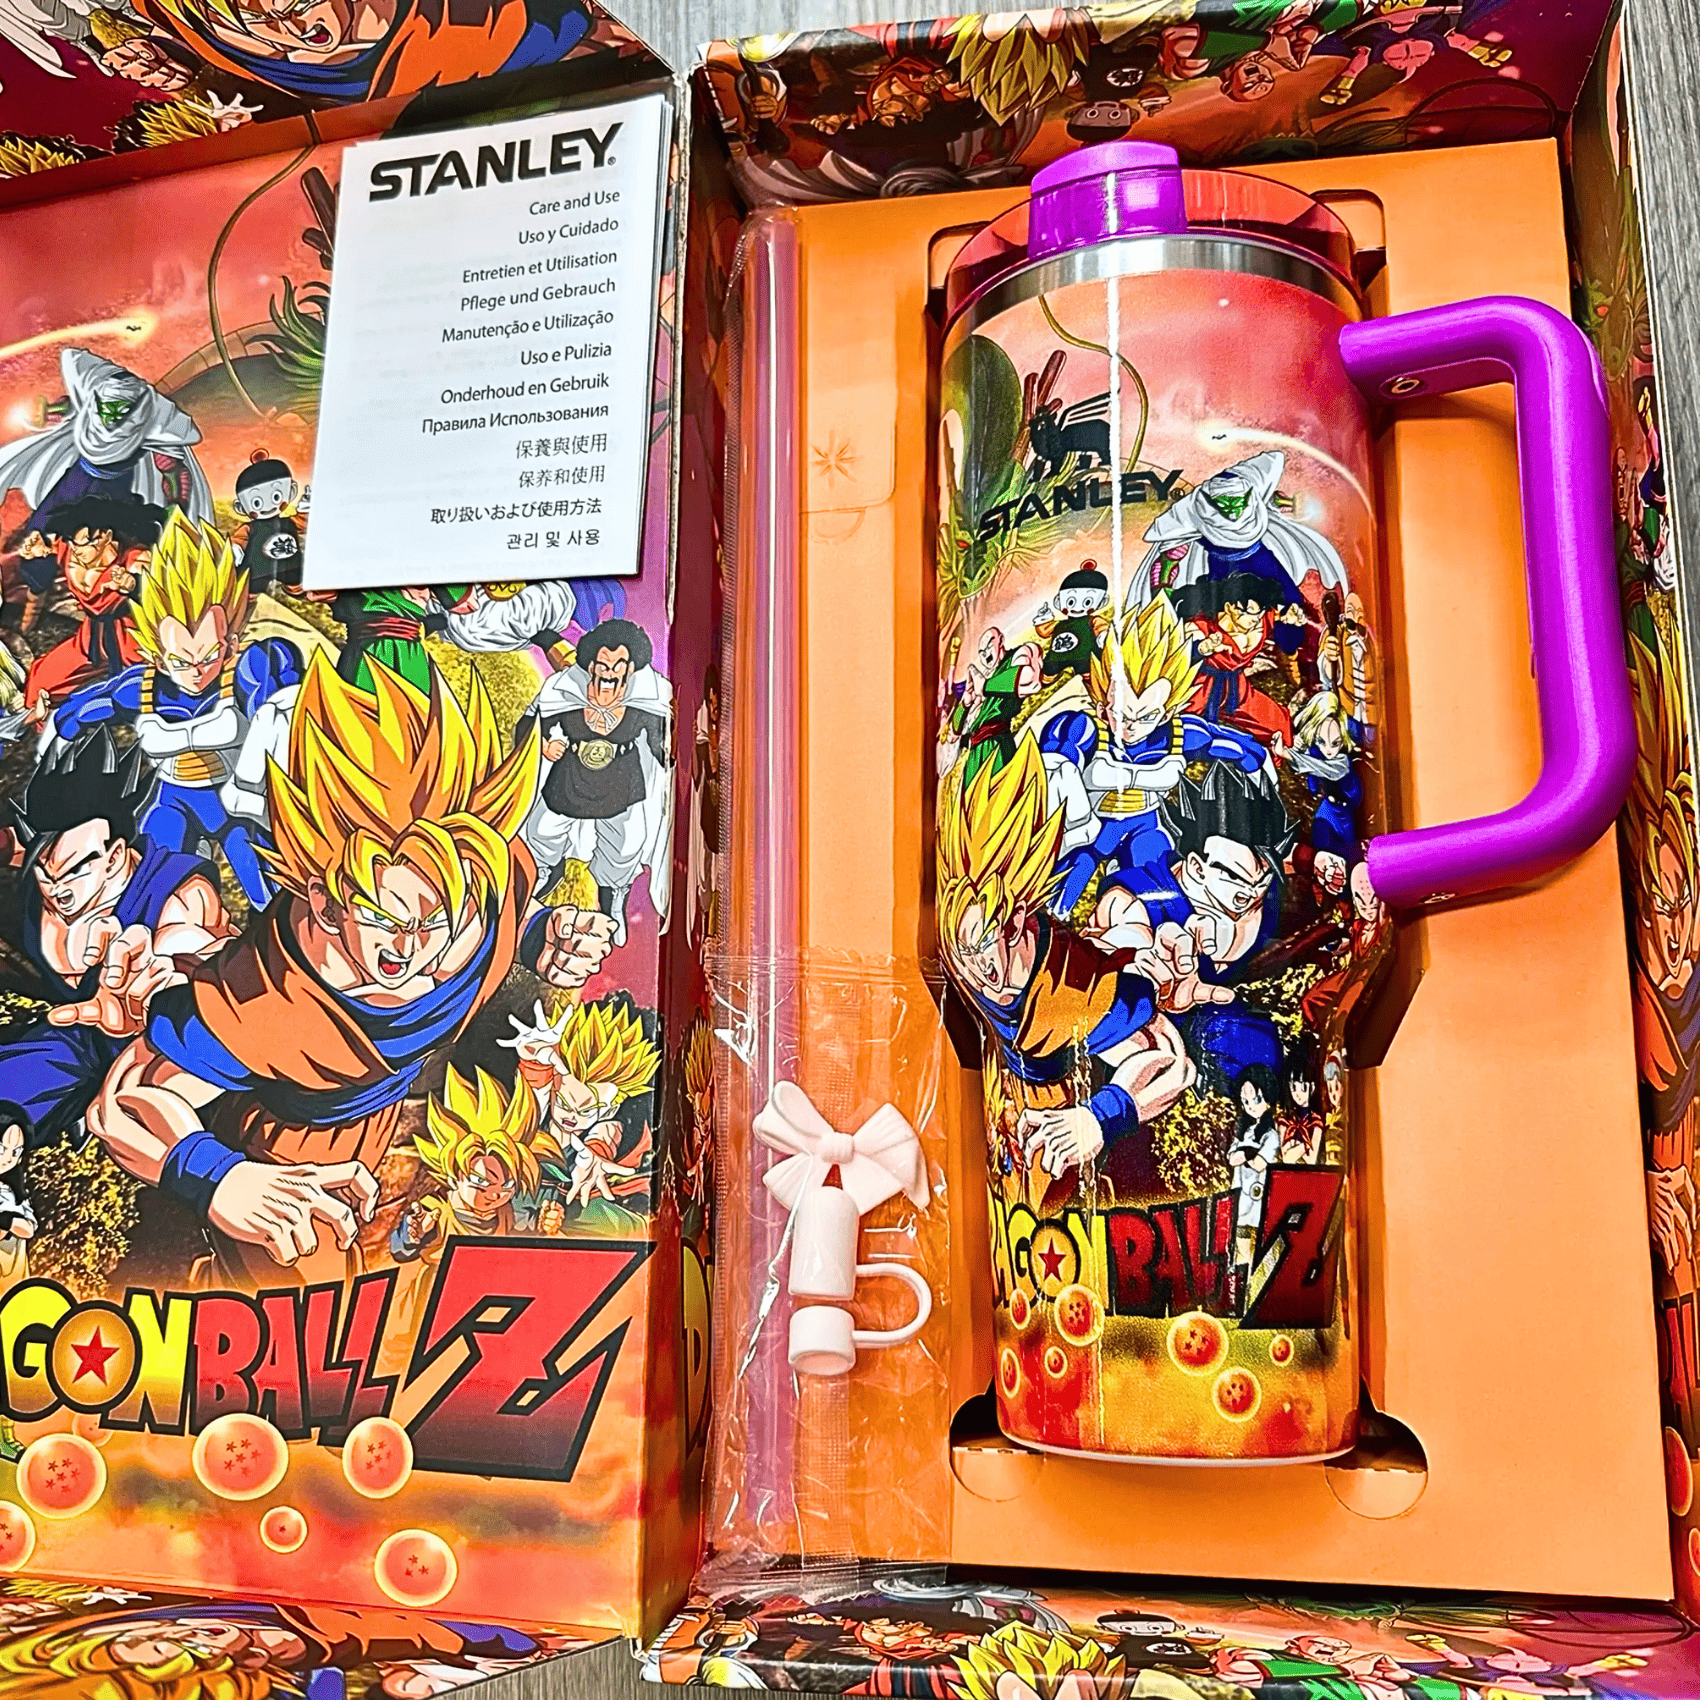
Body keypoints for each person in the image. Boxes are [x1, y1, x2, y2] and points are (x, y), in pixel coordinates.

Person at [87, 654, 614, 1287]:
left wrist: (540, 938)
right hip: (288, 1152)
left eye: (437, 919)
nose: (414, 949)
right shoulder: (269, 995)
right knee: (303, 1306)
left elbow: (493, 922)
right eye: (386, 919)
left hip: (381, 1128)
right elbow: (122, 1104)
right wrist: (219, 1177)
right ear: (325, 902)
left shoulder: (480, 899)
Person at [939, 739, 1205, 1182]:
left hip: (1091, 1167)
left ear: (1014, 921)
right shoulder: (974, 963)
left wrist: (1100, 1117)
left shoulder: (1073, 981)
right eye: (960, 949)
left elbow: (1171, 1062)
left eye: (980, 943)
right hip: (1018, 1143)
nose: (974, 966)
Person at [48, 511, 302, 909]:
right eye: (181, 661)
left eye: (209, 656)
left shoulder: (246, 670)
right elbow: (91, 705)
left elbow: (280, 692)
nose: (197, 672)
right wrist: (59, 734)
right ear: (157, 655)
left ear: (230, 644)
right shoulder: (145, 686)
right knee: (149, 888)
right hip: (173, 799)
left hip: (233, 804)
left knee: (269, 892)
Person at [0, 729, 234, 1156]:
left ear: (115, 857)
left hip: (158, 1044)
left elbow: (194, 946)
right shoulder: (41, 874)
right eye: (45, 872)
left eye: (73, 870)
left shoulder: (178, 894)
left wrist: (171, 980)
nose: (56, 888)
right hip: (73, 1029)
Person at [1041, 596, 1269, 915]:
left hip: (1145, 824)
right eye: (1121, 714)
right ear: (1102, 706)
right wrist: (1070, 805)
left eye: (1147, 716)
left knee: (1160, 889)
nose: (1132, 726)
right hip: (1095, 828)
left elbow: (1229, 744)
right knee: (1067, 882)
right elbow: (1058, 754)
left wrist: (1259, 768)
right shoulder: (1087, 729)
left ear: (1169, 710)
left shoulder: (1176, 734)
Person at [1090, 761, 1296, 1096]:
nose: (1250, 893)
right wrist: (1136, 970)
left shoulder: (1258, 889)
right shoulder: (1137, 900)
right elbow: (1119, 938)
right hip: (1152, 1027)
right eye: (1236, 878)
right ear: (1197, 868)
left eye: (1261, 882)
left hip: (1226, 1006)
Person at [518, 617, 673, 945]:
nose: (609, 673)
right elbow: (528, 725)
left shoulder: (647, 697)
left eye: (617, 667)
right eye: (602, 666)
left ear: (630, 670)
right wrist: (543, 745)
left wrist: (670, 754)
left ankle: (613, 897)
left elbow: (662, 741)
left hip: (621, 782)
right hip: (570, 778)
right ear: (590, 666)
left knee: (627, 844)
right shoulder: (563, 690)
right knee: (542, 831)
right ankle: (542, 873)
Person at [0, 350, 211, 563]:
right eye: (108, 409)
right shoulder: (93, 389)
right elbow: (75, 404)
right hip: (78, 477)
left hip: (116, 489)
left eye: (120, 410)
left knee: (108, 543)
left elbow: (173, 469)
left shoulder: (153, 417)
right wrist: (51, 410)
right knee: (43, 531)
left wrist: (176, 505)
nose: (112, 418)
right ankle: (35, 574)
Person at [1141, 450, 1345, 611]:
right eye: (1225, 504)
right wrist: (1163, 594)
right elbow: (1168, 556)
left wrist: (1290, 503)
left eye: (1237, 503)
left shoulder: (1255, 487)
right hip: (1222, 569)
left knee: (1289, 606)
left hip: (1261, 559)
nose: (1232, 512)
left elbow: (1269, 499)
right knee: (1228, 615)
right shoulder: (1194, 510)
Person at [18, 497, 162, 716]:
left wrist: (133, 585)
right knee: (39, 683)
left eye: (84, 542)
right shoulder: (68, 548)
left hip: (132, 638)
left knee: (146, 692)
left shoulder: (136, 559)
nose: (76, 550)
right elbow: (47, 557)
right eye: (72, 542)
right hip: (91, 638)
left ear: (106, 536)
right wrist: (38, 554)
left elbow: (158, 587)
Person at [228, 451, 303, 593]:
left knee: (296, 579)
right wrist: (236, 549)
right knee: (251, 588)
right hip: (257, 568)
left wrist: (307, 508)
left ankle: (295, 589)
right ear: (240, 507)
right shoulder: (250, 528)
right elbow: (239, 538)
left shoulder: (290, 522)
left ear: (292, 492)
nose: (268, 507)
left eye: (276, 497)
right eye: (256, 502)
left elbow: (306, 523)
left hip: (290, 564)